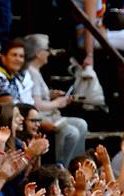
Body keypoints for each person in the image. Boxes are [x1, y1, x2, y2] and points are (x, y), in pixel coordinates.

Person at [22, 33, 87, 166]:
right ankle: (62, 165)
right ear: (39, 53)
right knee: (72, 132)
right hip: (42, 116)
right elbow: (37, 104)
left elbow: (38, 95)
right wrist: (57, 103)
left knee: (81, 124)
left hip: (50, 115)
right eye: (47, 50)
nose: (49, 53)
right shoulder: (31, 72)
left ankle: (77, 164)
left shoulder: (36, 71)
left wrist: (51, 95)